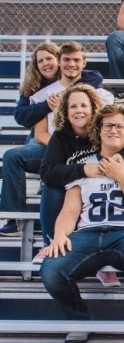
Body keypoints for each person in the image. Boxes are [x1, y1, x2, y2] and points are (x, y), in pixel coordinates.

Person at [40, 103, 124, 343]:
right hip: (88, 232)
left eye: (119, 126)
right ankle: (81, 320)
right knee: (51, 270)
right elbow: (69, 211)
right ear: (99, 130)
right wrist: (60, 234)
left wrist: (120, 176)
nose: (113, 130)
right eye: (108, 126)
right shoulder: (84, 165)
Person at [34, 85, 124, 271]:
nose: (79, 111)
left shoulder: (105, 128)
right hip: (81, 186)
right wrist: (82, 169)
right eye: (73, 107)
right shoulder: (61, 137)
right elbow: (48, 172)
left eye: (84, 105)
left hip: (112, 188)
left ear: (93, 109)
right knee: (51, 187)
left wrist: (122, 157)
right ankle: (52, 242)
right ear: (65, 112)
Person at [1, 43, 101, 236]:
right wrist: (45, 105)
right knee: (13, 156)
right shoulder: (39, 92)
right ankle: (14, 218)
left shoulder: (90, 86)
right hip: (51, 146)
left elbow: (94, 77)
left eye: (49, 59)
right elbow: (34, 129)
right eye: (41, 61)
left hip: (84, 149)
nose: (46, 64)